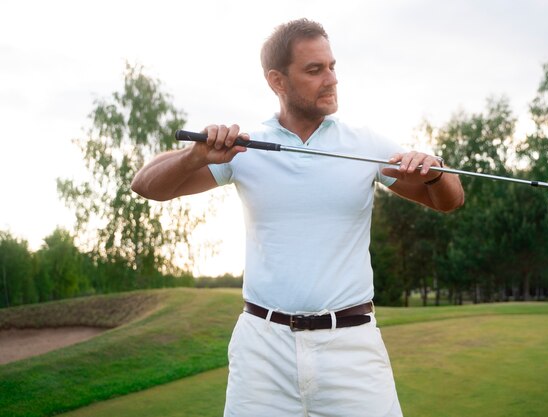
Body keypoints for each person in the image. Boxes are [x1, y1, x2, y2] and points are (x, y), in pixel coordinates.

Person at [132, 18, 463, 417]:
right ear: (278, 81)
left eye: (332, 66)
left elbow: (448, 201)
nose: (331, 79)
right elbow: (147, 186)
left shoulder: (365, 145)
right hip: (262, 352)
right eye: (314, 70)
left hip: (351, 349)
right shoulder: (244, 148)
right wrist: (195, 155)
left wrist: (437, 171)